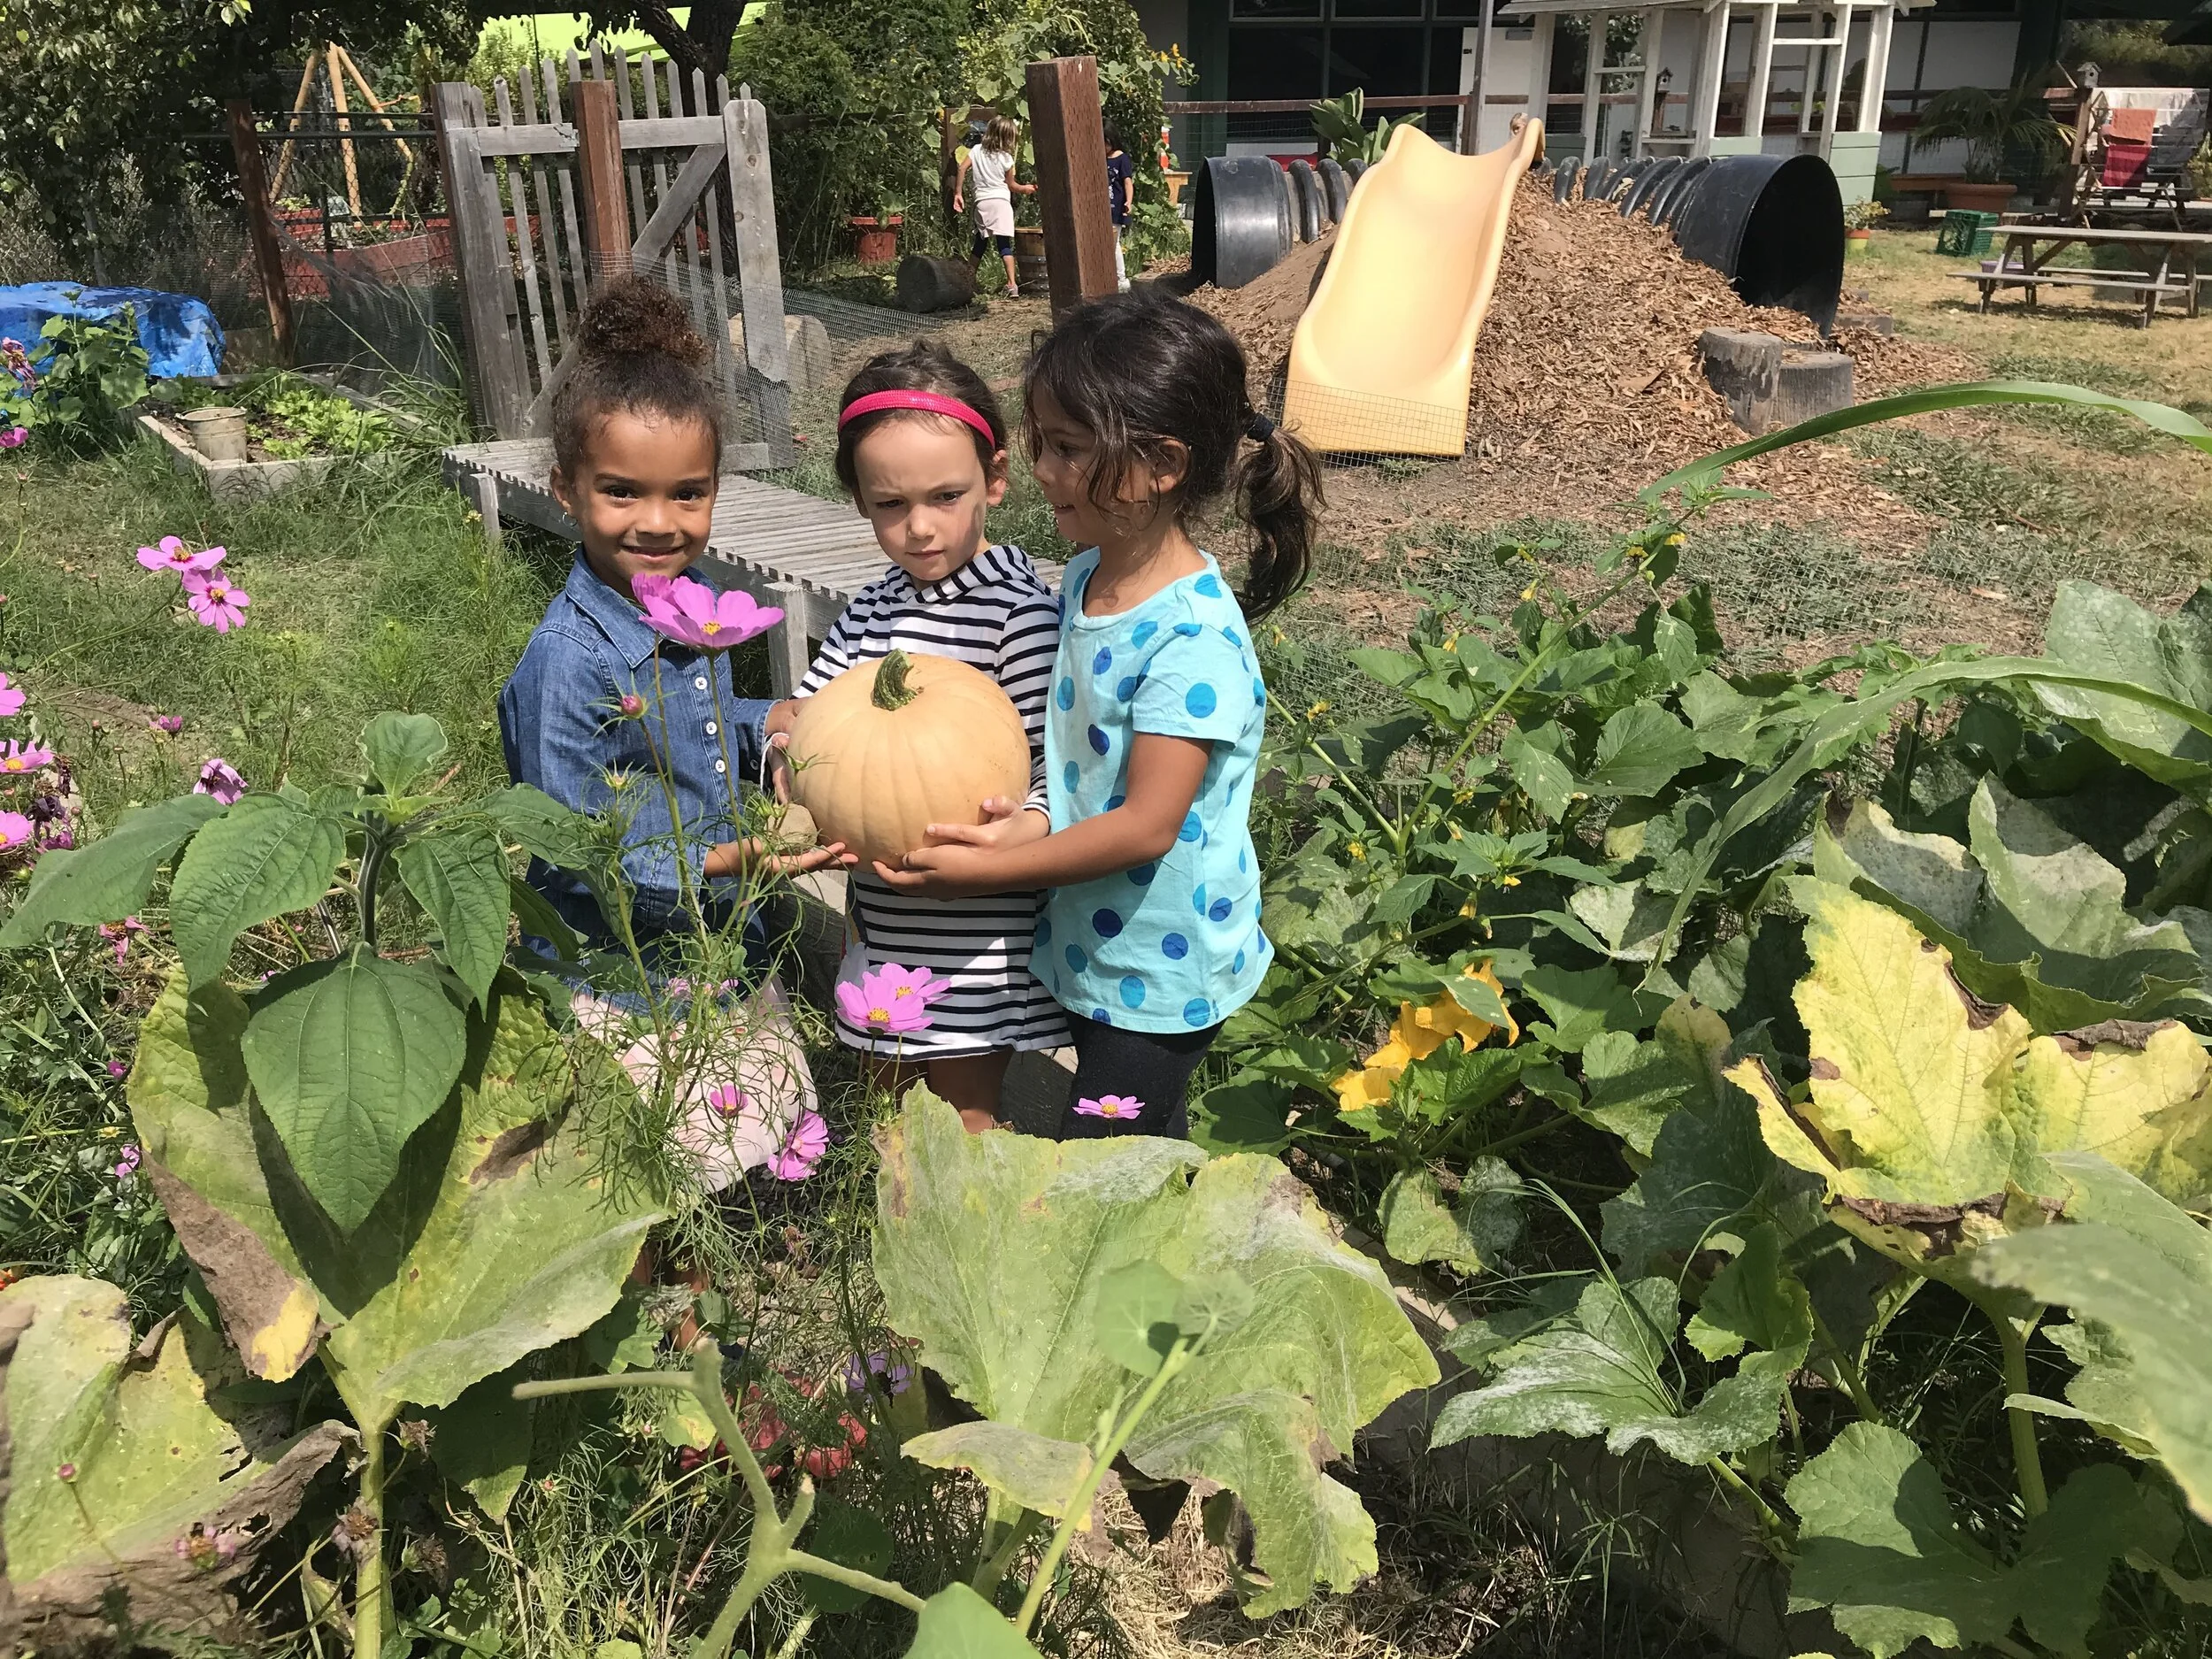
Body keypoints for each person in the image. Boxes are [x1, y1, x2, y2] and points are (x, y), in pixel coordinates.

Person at [873, 291, 1323, 1141]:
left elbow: (1148, 825)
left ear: (1162, 465)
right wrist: (1026, 817)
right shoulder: (1088, 575)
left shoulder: (1191, 639)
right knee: (1143, 1146)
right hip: (1098, 943)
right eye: (1042, 443)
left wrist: (989, 870)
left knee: (1100, 1162)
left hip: (1162, 966)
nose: (1042, 469)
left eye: (1069, 449)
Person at [498, 275, 853, 1187]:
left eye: (687, 495)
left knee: (720, 1129)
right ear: (564, 492)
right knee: (636, 1158)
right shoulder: (567, 662)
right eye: (622, 492)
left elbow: (678, 733)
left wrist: (757, 721)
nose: (658, 524)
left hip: (704, 947)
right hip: (615, 968)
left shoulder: (679, 613)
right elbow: (578, 845)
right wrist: (732, 865)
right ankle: (652, 1297)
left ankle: (701, 1287)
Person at [765, 343, 1069, 1133]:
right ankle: (888, 1242)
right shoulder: (869, 611)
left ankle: (964, 1251)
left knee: (962, 1122)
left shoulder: (1018, 616)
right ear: (860, 499)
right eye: (891, 504)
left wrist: (1010, 837)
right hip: (881, 923)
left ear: (994, 480)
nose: (920, 526)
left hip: (978, 930)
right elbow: (808, 713)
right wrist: (780, 733)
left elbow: (1051, 773)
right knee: (886, 1113)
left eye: (946, 495)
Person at [954, 115, 1035, 297]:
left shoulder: (976, 151)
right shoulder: (1006, 158)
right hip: (1002, 203)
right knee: (1004, 244)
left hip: (983, 202)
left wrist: (958, 193)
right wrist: (1025, 189)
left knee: (980, 243)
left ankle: (969, 280)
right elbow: (1011, 186)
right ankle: (1012, 284)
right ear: (1007, 138)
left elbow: (961, 168)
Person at [1103, 125, 1135, 291]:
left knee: (1113, 243)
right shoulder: (1100, 157)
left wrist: (1128, 201)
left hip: (1116, 207)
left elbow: (1127, 182)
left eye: (1106, 143)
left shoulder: (1122, 159)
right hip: (1101, 208)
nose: (1104, 147)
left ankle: (1121, 279)